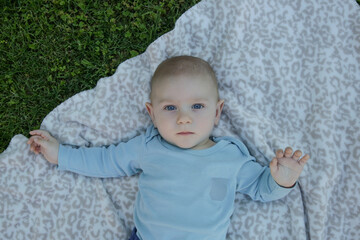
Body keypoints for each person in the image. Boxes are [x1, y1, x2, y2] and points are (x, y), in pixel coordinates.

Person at [28, 56, 310, 240]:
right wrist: (60, 154)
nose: (183, 117)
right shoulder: (148, 147)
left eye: (197, 106)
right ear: (152, 113)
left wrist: (281, 179)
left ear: (217, 112)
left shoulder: (231, 157)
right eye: (170, 107)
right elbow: (104, 161)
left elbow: (261, 190)